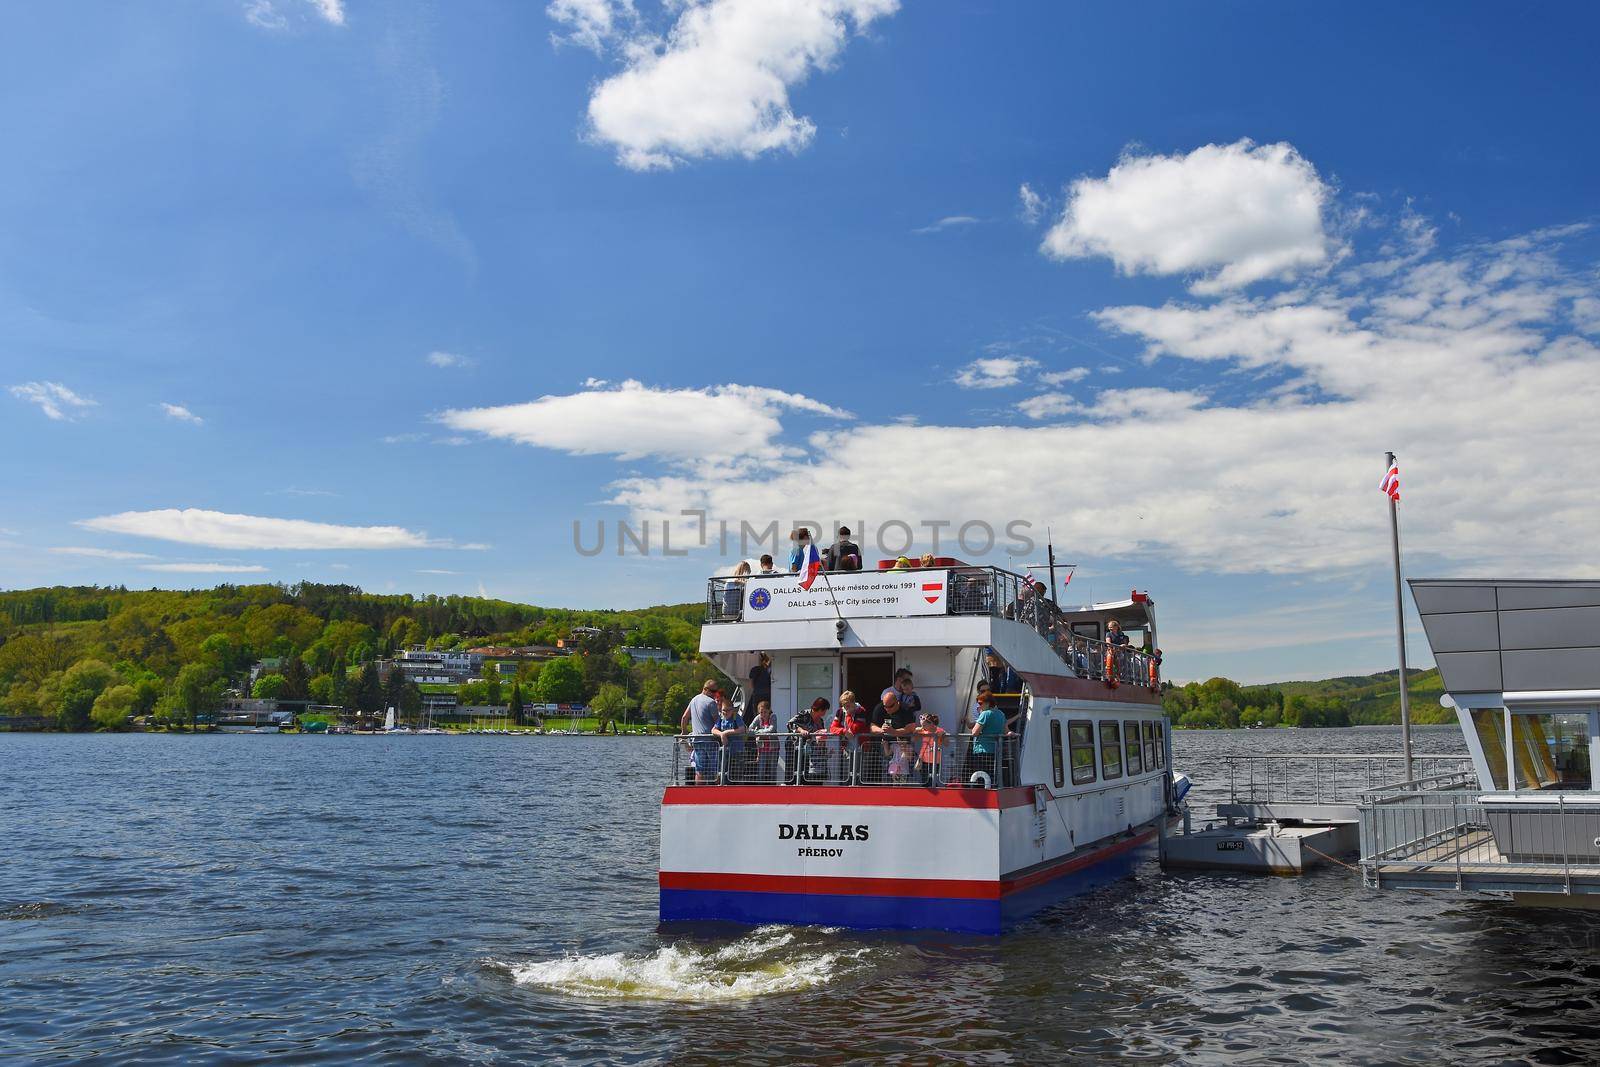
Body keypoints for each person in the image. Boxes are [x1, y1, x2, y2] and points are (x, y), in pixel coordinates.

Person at [683, 680, 722, 785]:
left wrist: (684, 733)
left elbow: (684, 718)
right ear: (705, 689)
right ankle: (718, 792)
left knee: (700, 770)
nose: (715, 694)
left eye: (716, 691)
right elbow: (717, 722)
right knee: (716, 769)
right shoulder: (711, 702)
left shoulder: (693, 700)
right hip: (711, 741)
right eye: (713, 691)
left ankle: (698, 793)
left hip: (697, 741)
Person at [970, 693, 1010, 786]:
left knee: (980, 779)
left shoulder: (985, 714)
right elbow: (1006, 731)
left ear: (988, 703)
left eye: (980, 703)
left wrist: (980, 715)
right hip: (996, 752)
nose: (979, 706)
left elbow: (974, 732)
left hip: (982, 752)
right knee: (991, 778)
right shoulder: (1001, 714)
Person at [788, 697, 831, 782]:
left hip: (811, 749)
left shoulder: (821, 721)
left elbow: (820, 736)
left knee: (808, 771)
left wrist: (824, 749)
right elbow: (790, 723)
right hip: (796, 746)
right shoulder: (805, 714)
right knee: (797, 767)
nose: (825, 712)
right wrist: (801, 730)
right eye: (825, 710)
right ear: (820, 709)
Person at [711, 694, 745, 782]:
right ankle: (724, 785)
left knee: (736, 773)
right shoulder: (721, 719)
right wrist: (721, 734)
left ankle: (738, 790)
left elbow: (742, 729)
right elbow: (713, 730)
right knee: (723, 770)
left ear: (732, 710)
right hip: (725, 751)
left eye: (727, 710)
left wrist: (726, 732)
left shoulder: (736, 717)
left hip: (737, 751)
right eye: (723, 711)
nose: (725, 713)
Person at [747, 700, 781, 782]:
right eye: (761, 712)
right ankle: (760, 788)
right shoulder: (758, 717)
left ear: (769, 710)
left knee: (772, 769)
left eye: (765, 712)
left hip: (773, 747)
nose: (763, 714)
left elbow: (772, 729)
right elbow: (749, 729)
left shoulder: (773, 716)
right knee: (761, 770)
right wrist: (758, 732)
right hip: (762, 748)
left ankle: (773, 788)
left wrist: (758, 732)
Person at [915, 713, 947, 786]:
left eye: (924, 725)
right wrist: (915, 732)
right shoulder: (923, 730)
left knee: (931, 781)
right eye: (922, 725)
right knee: (925, 780)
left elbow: (946, 743)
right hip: (923, 759)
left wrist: (943, 736)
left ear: (931, 724)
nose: (923, 727)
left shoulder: (939, 730)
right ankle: (927, 794)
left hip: (935, 761)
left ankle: (933, 794)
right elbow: (914, 740)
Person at [744, 652, 772, 725]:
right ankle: (767, 725)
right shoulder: (770, 670)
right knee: (767, 711)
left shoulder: (755, 669)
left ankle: (758, 727)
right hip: (768, 694)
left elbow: (751, 683)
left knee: (757, 712)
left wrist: (756, 690)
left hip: (757, 694)